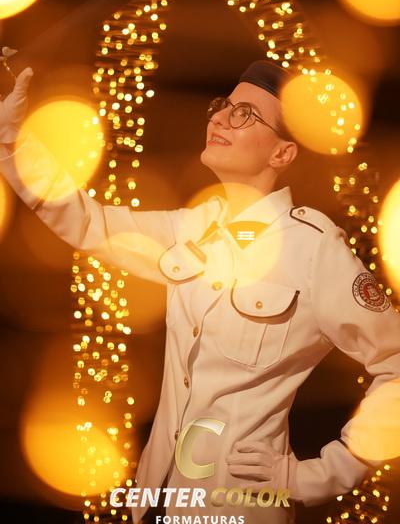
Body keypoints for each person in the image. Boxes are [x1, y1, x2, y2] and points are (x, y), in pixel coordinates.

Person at [1, 60, 400, 524]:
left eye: (245, 114)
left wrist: (317, 476)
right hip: (158, 500)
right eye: (223, 106)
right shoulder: (193, 227)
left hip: (238, 507)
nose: (220, 119)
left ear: (282, 153)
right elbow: (90, 223)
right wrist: (13, 139)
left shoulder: (313, 249)